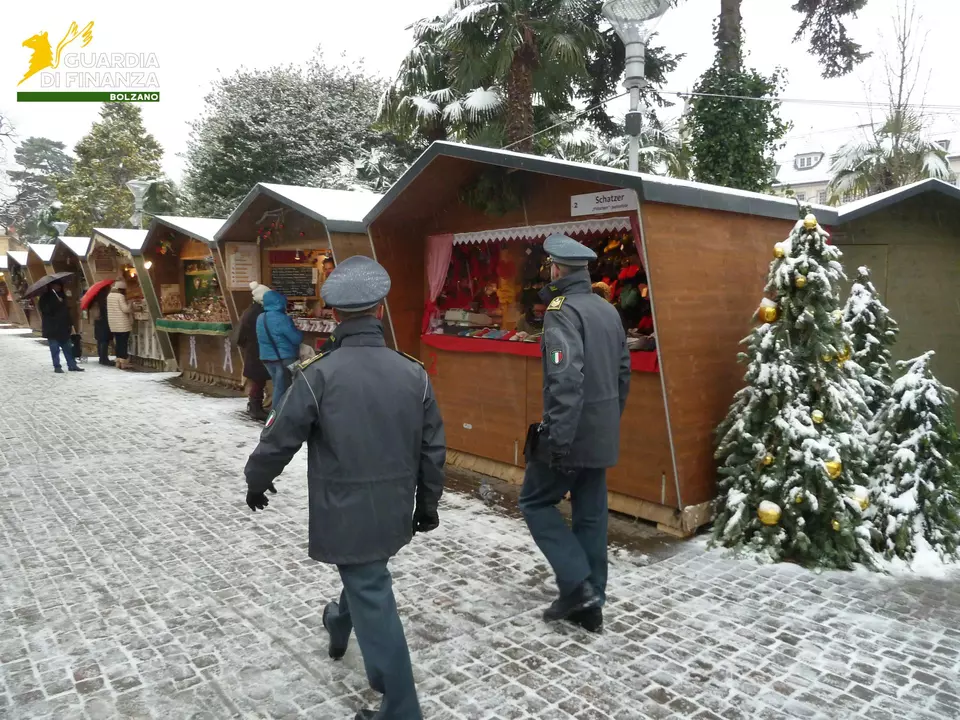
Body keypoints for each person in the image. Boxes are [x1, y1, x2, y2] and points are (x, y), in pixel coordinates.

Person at [243, 256, 446, 720]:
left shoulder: (318, 373)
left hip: (343, 507)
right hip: (393, 506)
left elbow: (280, 436)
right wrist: (427, 502)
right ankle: (338, 622)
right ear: (380, 310)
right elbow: (433, 446)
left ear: (334, 315)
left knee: (370, 585)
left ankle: (401, 709)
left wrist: (258, 480)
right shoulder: (413, 372)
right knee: (366, 572)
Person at [519, 234, 631, 634]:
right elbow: (623, 373)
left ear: (555, 270)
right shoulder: (607, 310)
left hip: (570, 431)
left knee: (534, 502)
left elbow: (564, 375)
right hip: (600, 431)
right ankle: (591, 602)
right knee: (590, 514)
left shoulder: (560, 312)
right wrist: (608, 420)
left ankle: (577, 585)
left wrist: (559, 438)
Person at [255, 288, 303, 408]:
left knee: (278, 385)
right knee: (283, 388)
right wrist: (297, 330)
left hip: (266, 358)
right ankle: (276, 415)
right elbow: (296, 339)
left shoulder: (261, 317)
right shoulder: (282, 318)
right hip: (284, 358)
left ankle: (281, 412)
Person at [236, 282, 271, 421]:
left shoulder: (251, 310)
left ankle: (254, 406)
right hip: (257, 349)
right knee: (258, 380)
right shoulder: (259, 313)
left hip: (252, 348)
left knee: (257, 380)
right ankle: (256, 408)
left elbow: (241, 335)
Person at [37, 281, 83, 373]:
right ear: (51, 286)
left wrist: (70, 324)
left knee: (68, 348)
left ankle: (72, 365)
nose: (58, 287)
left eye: (59, 285)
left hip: (64, 327)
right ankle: (57, 366)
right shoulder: (45, 297)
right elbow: (46, 310)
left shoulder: (62, 296)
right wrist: (57, 303)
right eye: (55, 285)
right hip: (52, 328)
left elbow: (66, 312)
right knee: (55, 349)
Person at [106, 281, 134, 370]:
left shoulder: (109, 296)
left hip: (113, 324)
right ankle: (123, 363)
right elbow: (125, 309)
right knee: (123, 343)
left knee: (118, 343)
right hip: (122, 324)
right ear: (122, 289)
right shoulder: (120, 296)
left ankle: (118, 362)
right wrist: (130, 303)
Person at [89, 284, 114, 366]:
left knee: (100, 340)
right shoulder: (104, 301)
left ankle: (101, 358)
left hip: (98, 322)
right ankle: (104, 359)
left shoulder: (95, 300)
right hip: (104, 322)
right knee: (104, 340)